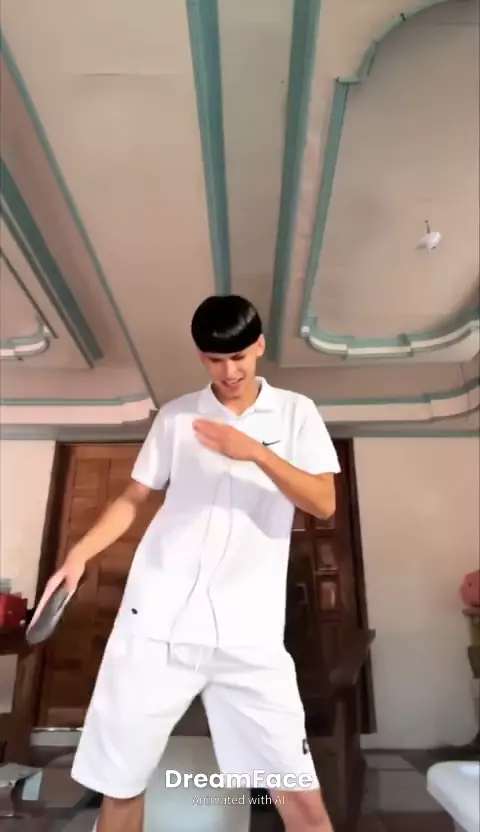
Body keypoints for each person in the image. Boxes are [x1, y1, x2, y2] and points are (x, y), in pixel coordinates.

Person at [37, 295, 340, 832]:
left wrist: (257, 451)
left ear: (259, 345)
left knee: (302, 803)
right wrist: (79, 553)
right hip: (156, 623)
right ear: (202, 357)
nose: (230, 372)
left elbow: (323, 502)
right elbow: (134, 496)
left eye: (239, 357)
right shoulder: (177, 417)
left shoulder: (297, 413)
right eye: (216, 360)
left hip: (249, 635)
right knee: (121, 786)